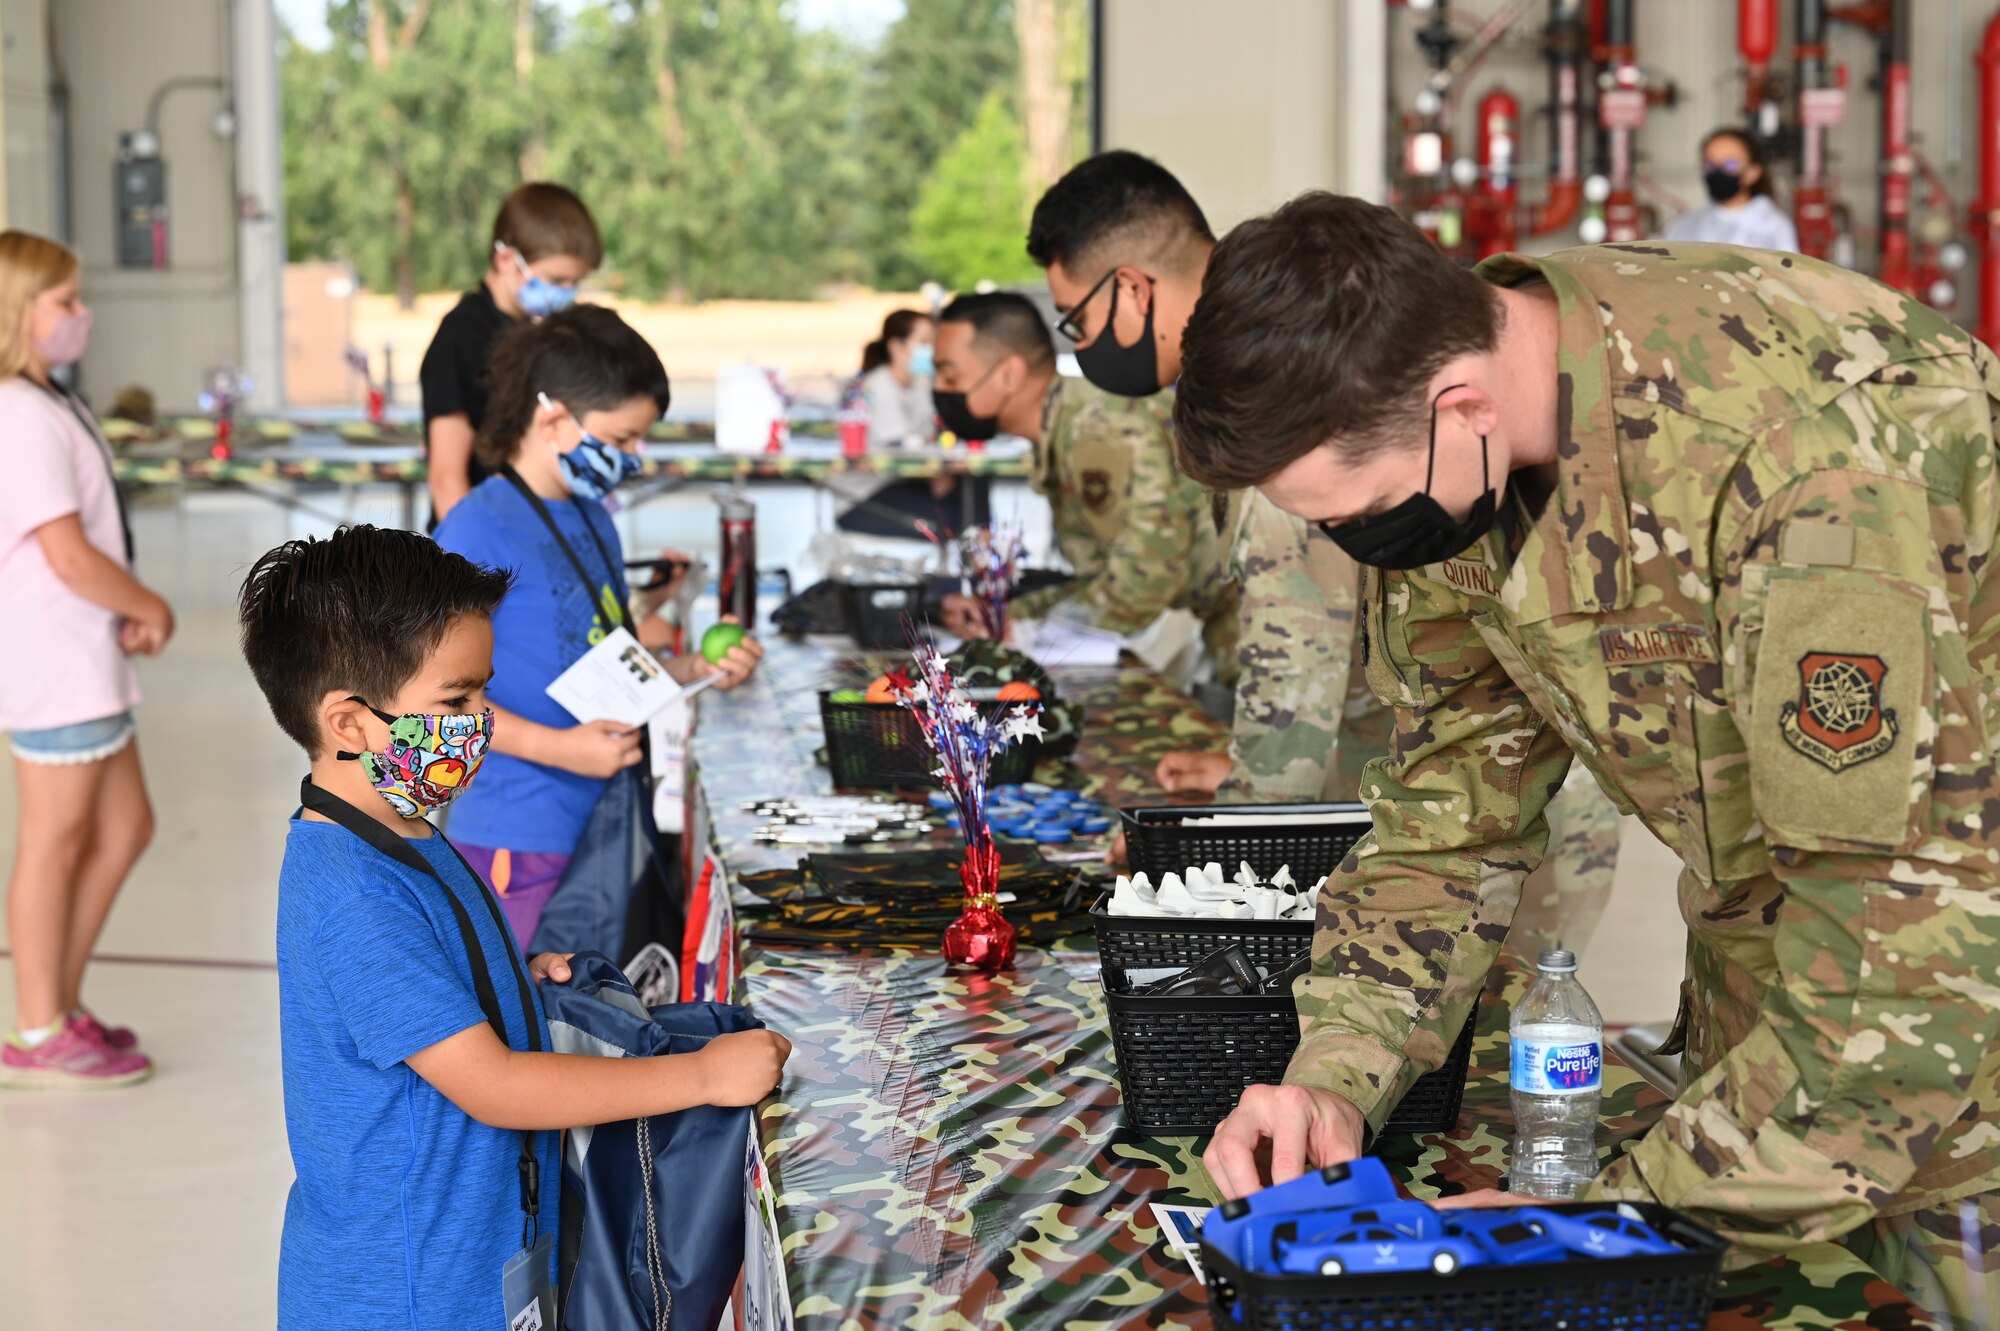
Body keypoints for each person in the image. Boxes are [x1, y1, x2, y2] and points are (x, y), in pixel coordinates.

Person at [1176, 191, 2000, 1324]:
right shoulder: (1447, 444)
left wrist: (1592, 1224)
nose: (1351, 546)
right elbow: (1446, 822)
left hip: (1950, 1029)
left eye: (1357, 514)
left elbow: (1901, 956)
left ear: (1457, 403)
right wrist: (1334, 1068)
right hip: (1778, 1021)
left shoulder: (1803, 463)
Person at [1024, 152, 1619, 955]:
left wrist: (1207, 870)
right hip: (1456, 782)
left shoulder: (1281, 396)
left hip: (1495, 801)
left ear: (1131, 288)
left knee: (1480, 1050)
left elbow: (1291, 706)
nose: (1084, 345)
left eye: (1078, 320)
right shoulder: (1276, 360)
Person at [237, 523, 792, 1331]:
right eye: (456, 701)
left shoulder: (405, 824)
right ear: (350, 723)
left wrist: (511, 983)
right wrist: (704, 1078)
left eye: (481, 694)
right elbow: (492, 1084)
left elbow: (430, 998)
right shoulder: (351, 892)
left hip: (475, 1260)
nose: (481, 722)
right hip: (411, 1293)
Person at [434, 305, 763, 950]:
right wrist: (557, 749)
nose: (634, 458)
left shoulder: (592, 519)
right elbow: (426, 709)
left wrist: (693, 671)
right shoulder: (476, 530)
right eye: (620, 440)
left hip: (604, 823)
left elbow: (612, 660)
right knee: (527, 1030)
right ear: (554, 416)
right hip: (515, 837)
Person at [0, 230, 170, 1089]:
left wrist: (125, 612)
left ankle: (58, 1006)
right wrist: (147, 603)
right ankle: (34, 1026)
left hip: (85, 652)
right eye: (64, 301)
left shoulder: (47, 401)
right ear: (17, 312)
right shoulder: (18, 413)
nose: (82, 314)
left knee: (124, 824)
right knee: (54, 841)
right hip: (54, 659)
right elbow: (66, 555)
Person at [932, 292, 1238, 680]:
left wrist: (1025, 632)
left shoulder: (1097, 431)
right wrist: (1008, 616)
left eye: (950, 375)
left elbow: (1145, 581)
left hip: (1266, 611)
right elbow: (1104, 580)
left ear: (1009, 374)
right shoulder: (1071, 424)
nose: (939, 389)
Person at [420, 182, 602, 526]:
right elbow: (447, 479)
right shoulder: (461, 336)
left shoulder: (545, 330)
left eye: (574, 284)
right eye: (556, 279)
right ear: (507, 259)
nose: (566, 294)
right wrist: (477, 567)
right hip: (484, 545)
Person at [1661, 127, 1797, 251]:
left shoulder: (1773, 227)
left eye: (1730, 164)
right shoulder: (1684, 226)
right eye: (1710, 164)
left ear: (1753, 172)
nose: (1719, 171)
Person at [858, 308, 936, 449]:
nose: (932, 349)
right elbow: (900, 444)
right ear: (896, 346)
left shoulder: (920, 385)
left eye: (934, 341)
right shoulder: (876, 387)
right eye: (924, 342)